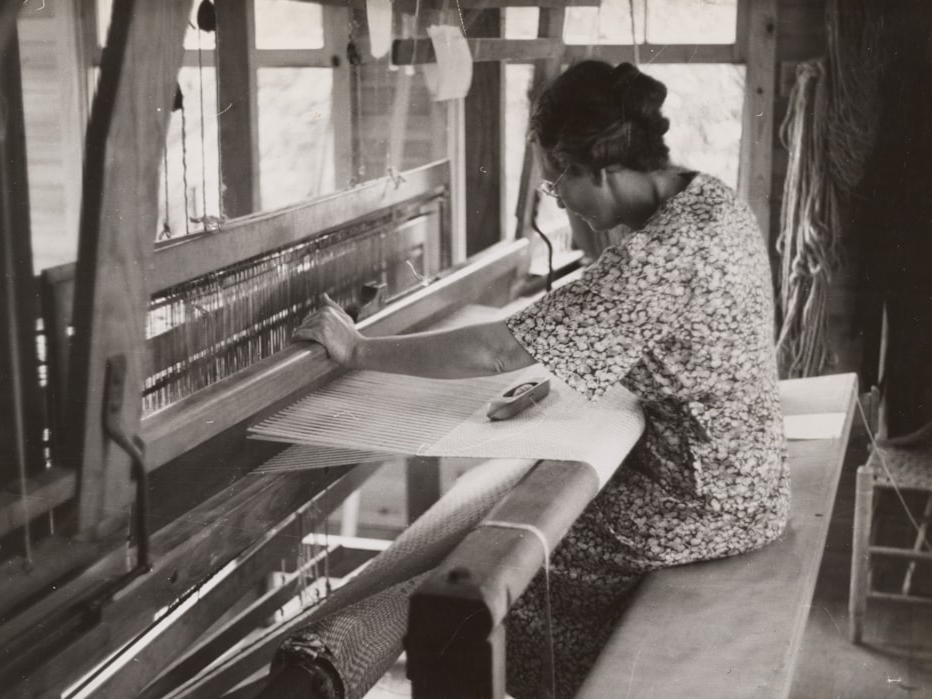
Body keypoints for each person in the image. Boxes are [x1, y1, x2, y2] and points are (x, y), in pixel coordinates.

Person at [293, 60, 787, 699]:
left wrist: (359, 352)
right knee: (497, 528)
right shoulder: (706, 196)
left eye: (559, 186)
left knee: (508, 571)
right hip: (746, 473)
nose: (562, 202)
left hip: (709, 502)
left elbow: (498, 354)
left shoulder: (652, 262)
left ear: (599, 172)